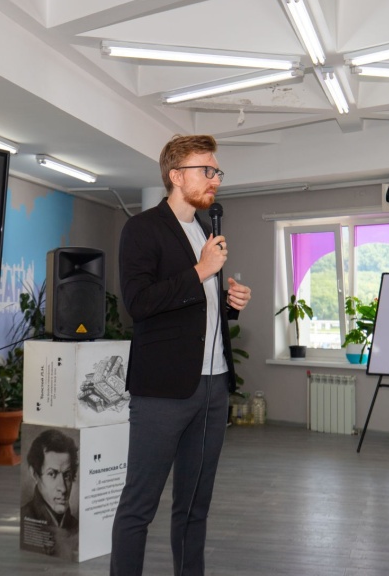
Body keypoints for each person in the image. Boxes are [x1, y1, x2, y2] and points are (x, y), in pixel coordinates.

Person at [110, 134, 252, 575]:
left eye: (217, 171)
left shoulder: (206, 231)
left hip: (213, 387)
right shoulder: (142, 229)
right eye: (205, 170)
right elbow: (139, 303)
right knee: (139, 506)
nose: (215, 179)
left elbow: (194, 310)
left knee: (194, 506)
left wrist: (229, 304)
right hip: (163, 391)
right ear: (176, 176)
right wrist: (200, 270)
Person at [20, 428, 79, 560]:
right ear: (35, 474)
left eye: (67, 475)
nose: (63, 488)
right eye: (52, 474)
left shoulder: (78, 527)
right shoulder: (25, 521)